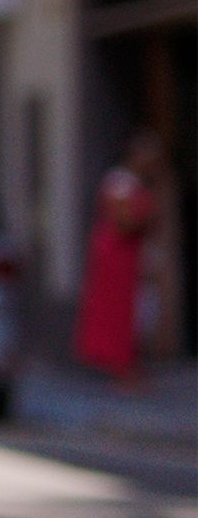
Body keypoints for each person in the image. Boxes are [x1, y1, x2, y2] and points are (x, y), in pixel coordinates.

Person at [73, 131, 165, 391]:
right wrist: (148, 218)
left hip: (130, 254)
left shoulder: (137, 183)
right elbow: (124, 222)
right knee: (120, 311)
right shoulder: (120, 183)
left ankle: (130, 364)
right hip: (118, 256)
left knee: (138, 309)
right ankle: (123, 366)